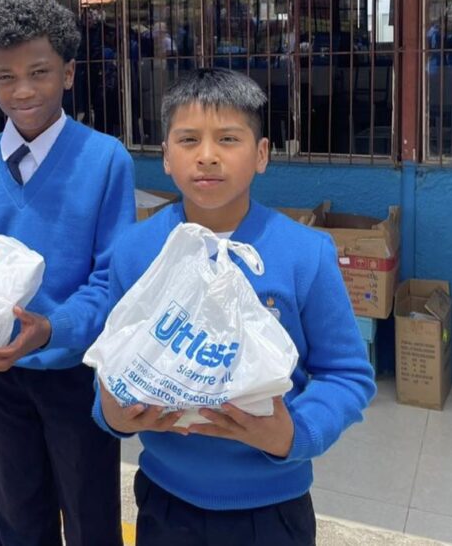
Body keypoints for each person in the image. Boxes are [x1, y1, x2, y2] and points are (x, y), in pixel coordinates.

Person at [94, 68, 376, 546]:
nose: (207, 156)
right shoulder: (135, 252)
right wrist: (111, 416)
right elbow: (112, 362)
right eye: (188, 140)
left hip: (272, 508)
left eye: (228, 139)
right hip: (165, 501)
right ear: (165, 156)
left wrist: (295, 434)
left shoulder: (305, 254)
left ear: (261, 154)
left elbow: (348, 374)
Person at [0, 0, 135, 546]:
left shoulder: (105, 159)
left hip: (77, 371)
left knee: (89, 515)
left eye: (39, 73)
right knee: (18, 513)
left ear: (68, 73)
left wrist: (52, 328)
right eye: (5, 77)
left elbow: (111, 279)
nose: (23, 91)